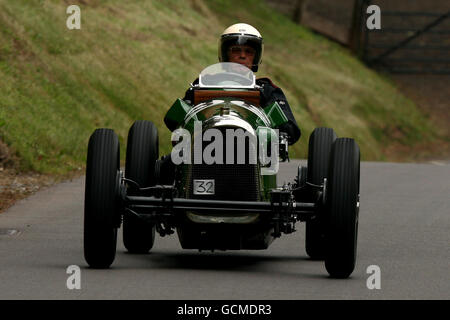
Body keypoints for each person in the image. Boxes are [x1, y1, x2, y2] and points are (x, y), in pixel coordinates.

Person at [178, 23, 301, 145]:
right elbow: (175, 119)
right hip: (204, 145)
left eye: (249, 52)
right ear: (226, 54)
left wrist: (275, 131)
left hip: (253, 149)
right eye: (236, 50)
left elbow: (290, 130)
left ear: (256, 57)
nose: (242, 56)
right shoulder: (203, 84)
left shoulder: (267, 90)